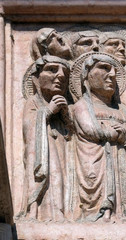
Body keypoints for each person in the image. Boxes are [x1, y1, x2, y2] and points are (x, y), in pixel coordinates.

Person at [72, 53, 126, 222]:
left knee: (123, 200)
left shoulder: (123, 110)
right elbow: (91, 130)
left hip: (122, 161)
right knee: (96, 200)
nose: (112, 75)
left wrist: (125, 136)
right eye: (104, 68)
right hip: (94, 160)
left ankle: (123, 216)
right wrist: (115, 132)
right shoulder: (81, 106)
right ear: (88, 75)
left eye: (114, 71)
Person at [19, 55, 72, 221]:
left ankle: (58, 214)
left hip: (61, 152)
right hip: (41, 155)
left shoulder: (65, 106)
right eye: (52, 70)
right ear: (36, 78)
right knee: (51, 178)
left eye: (64, 74)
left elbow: (71, 135)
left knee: (60, 182)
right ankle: (39, 213)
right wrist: (48, 111)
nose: (60, 76)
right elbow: (29, 129)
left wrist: (65, 116)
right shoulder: (33, 103)